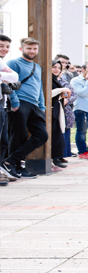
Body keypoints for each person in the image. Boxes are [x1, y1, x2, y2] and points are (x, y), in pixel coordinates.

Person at [4, 38, 48, 179]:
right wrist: (15, 102)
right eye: (29, 48)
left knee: (42, 135)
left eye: (34, 48)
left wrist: (42, 106)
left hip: (35, 106)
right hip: (21, 102)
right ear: (21, 49)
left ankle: (10, 161)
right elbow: (9, 84)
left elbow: (39, 87)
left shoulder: (37, 67)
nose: (32, 51)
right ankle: (17, 167)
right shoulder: (13, 63)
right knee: (18, 136)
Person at [0, 35, 20, 182]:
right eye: (1, 45)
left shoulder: (1, 61)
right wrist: (4, 76)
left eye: (7, 46)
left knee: (3, 141)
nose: (5, 49)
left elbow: (14, 77)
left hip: (2, 103)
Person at [50, 60, 72, 170]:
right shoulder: (47, 79)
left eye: (58, 68)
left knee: (58, 133)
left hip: (58, 107)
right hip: (51, 109)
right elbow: (47, 93)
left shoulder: (55, 79)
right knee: (53, 134)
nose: (56, 69)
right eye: (54, 67)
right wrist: (61, 90)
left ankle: (56, 159)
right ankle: (52, 160)